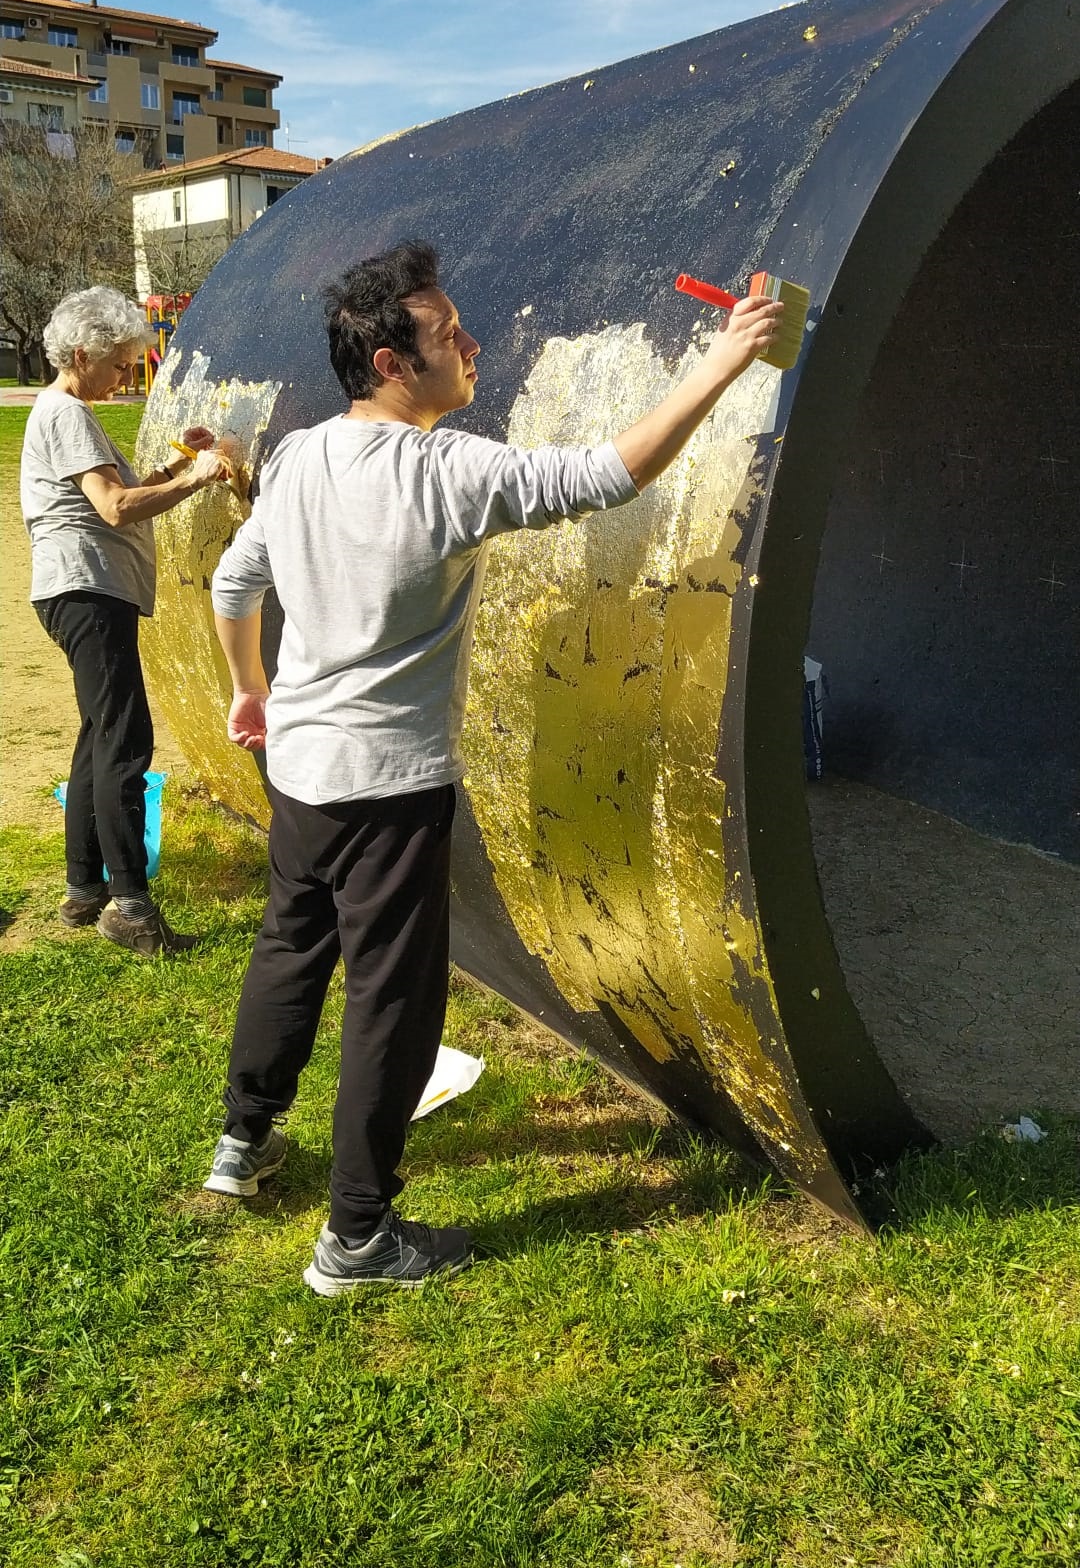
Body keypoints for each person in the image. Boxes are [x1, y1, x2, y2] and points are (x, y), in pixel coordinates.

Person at [205, 242, 782, 1295]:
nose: (474, 346)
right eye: (450, 335)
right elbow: (612, 473)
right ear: (391, 362)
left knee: (292, 948)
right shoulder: (448, 471)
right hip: (387, 788)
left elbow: (231, 581)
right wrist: (725, 359)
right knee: (392, 1003)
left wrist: (252, 691)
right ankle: (357, 1239)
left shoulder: (294, 459)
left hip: (300, 771)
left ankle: (243, 1145)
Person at [20, 285, 233, 958]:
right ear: (80, 354)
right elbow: (114, 508)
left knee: (99, 734)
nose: (124, 374)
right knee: (123, 741)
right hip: (87, 590)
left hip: (80, 591)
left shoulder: (67, 412)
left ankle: (84, 889)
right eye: (118, 363)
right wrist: (200, 478)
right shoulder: (65, 414)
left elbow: (118, 492)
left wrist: (174, 463)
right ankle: (130, 907)